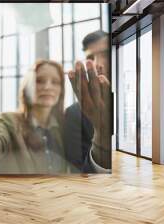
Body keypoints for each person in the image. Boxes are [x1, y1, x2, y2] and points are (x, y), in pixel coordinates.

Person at [0, 56, 109, 174]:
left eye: (55, 82)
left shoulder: (66, 125)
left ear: (61, 90)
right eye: (39, 81)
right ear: (27, 87)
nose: (47, 87)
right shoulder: (9, 121)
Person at [63, 30, 111, 172]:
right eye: (90, 58)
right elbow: (77, 173)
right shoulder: (73, 114)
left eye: (106, 54)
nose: (98, 64)